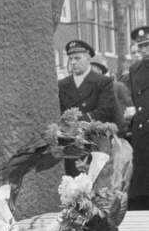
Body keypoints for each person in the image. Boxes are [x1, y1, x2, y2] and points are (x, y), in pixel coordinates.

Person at [59, 39, 121, 177]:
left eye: (77, 58)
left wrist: (78, 122)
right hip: (71, 146)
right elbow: (60, 111)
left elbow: (105, 111)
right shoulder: (62, 85)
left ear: (87, 59)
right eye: (70, 59)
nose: (73, 62)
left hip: (95, 144)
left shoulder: (102, 82)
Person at [126, 25, 149, 210]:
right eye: (140, 46)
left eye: (147, 45)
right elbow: (135, 99)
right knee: (142, 191)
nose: (144, 50)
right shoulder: (135, 69)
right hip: (142, 134)